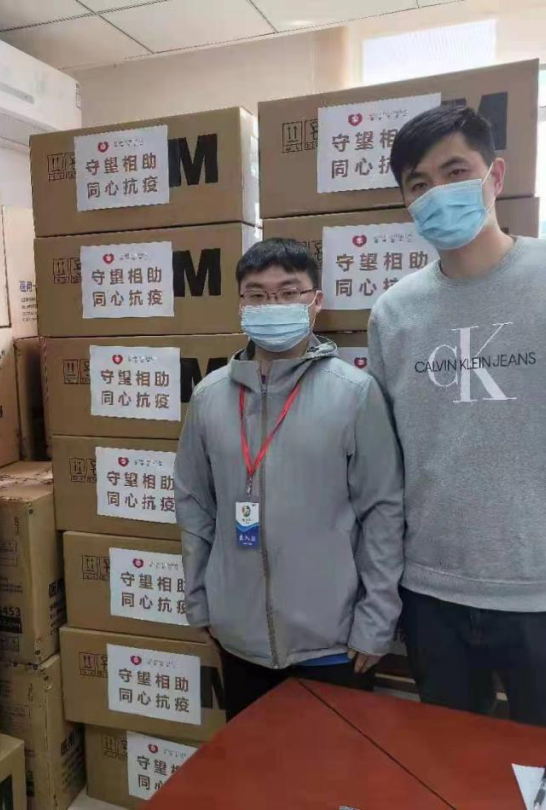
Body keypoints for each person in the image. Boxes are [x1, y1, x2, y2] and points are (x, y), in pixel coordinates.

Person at [368, 105, 546, 734]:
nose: (437, 193)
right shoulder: (394, 313)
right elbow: (389, 461)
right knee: (446, 764)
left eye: (455, 172)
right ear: (407, 203)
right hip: (432, 594)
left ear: (495, 176)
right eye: (419, 184)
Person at [175, 238, 405, 720]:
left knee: (332, 764)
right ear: (241, 305)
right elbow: (194, 504)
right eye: (257, 295)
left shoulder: (353, 393)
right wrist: (200, 602)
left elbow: (383, 511)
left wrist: (376, 621)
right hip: (238, 637)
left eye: (287, 292)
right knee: (252, 763)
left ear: (315, 301)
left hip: (334, 642)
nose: (271, 305)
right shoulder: (209, 397)